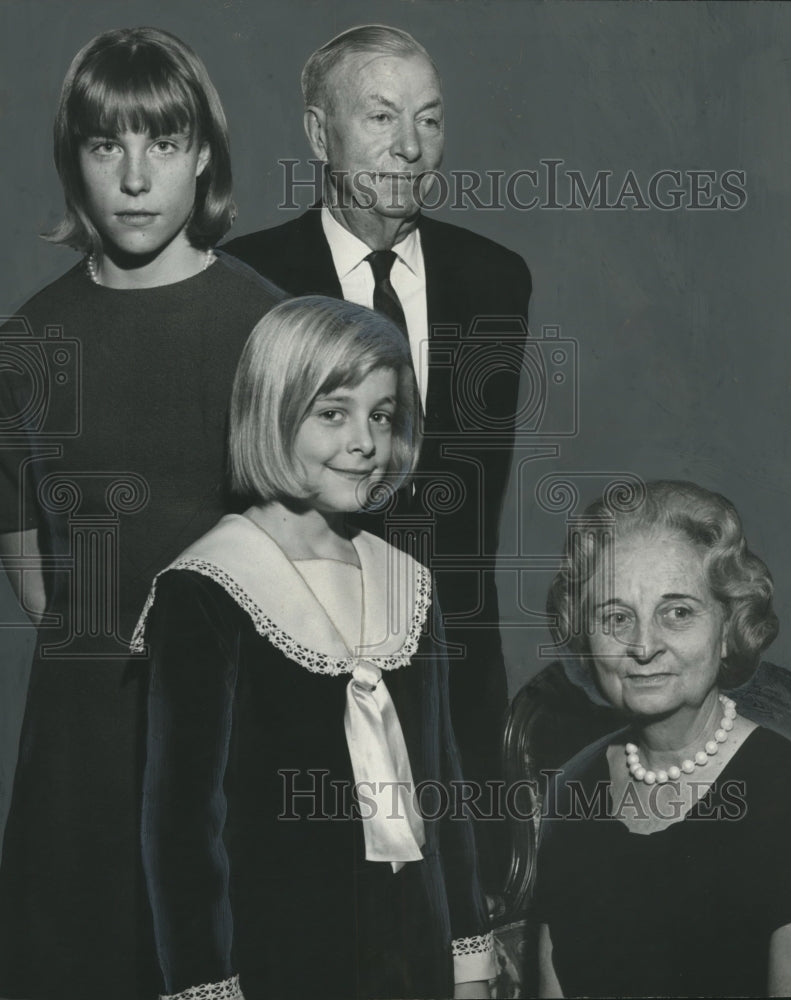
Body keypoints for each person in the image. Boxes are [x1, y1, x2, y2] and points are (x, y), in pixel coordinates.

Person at [0, 27, 284, 1000]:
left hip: (226, 737)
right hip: (76, 748)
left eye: (160, 143)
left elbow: (304, 554)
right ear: (72, 159)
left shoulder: (264, 325)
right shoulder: (31, 337)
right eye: (105, 144)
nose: (132, 176)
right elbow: (29, 559)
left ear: (202, 153)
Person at [223, 24, 532, 890]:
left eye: (429, 121)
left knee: (461, 927)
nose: (409, 146)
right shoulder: (248, 283)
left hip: (454, 665)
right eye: (382, 116)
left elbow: (473, 497)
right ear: (321, 136)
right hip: (301, 657)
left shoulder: (495, 280)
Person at [133, 296, 494, 1000]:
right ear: (272, 411)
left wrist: (468, 964)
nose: (364, 442)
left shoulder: (408, 585)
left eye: (381, 416)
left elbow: (443, 791)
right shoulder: (207, 587)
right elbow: (180, 829)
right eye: (333, 413)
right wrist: (207, 985)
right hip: (280, 959)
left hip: (413, 954)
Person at [534, 480, 791, 998]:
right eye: (616, 618)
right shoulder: (571, 789)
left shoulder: (790, 791)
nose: (644, 646)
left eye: (677, 612)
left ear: (728, 628)